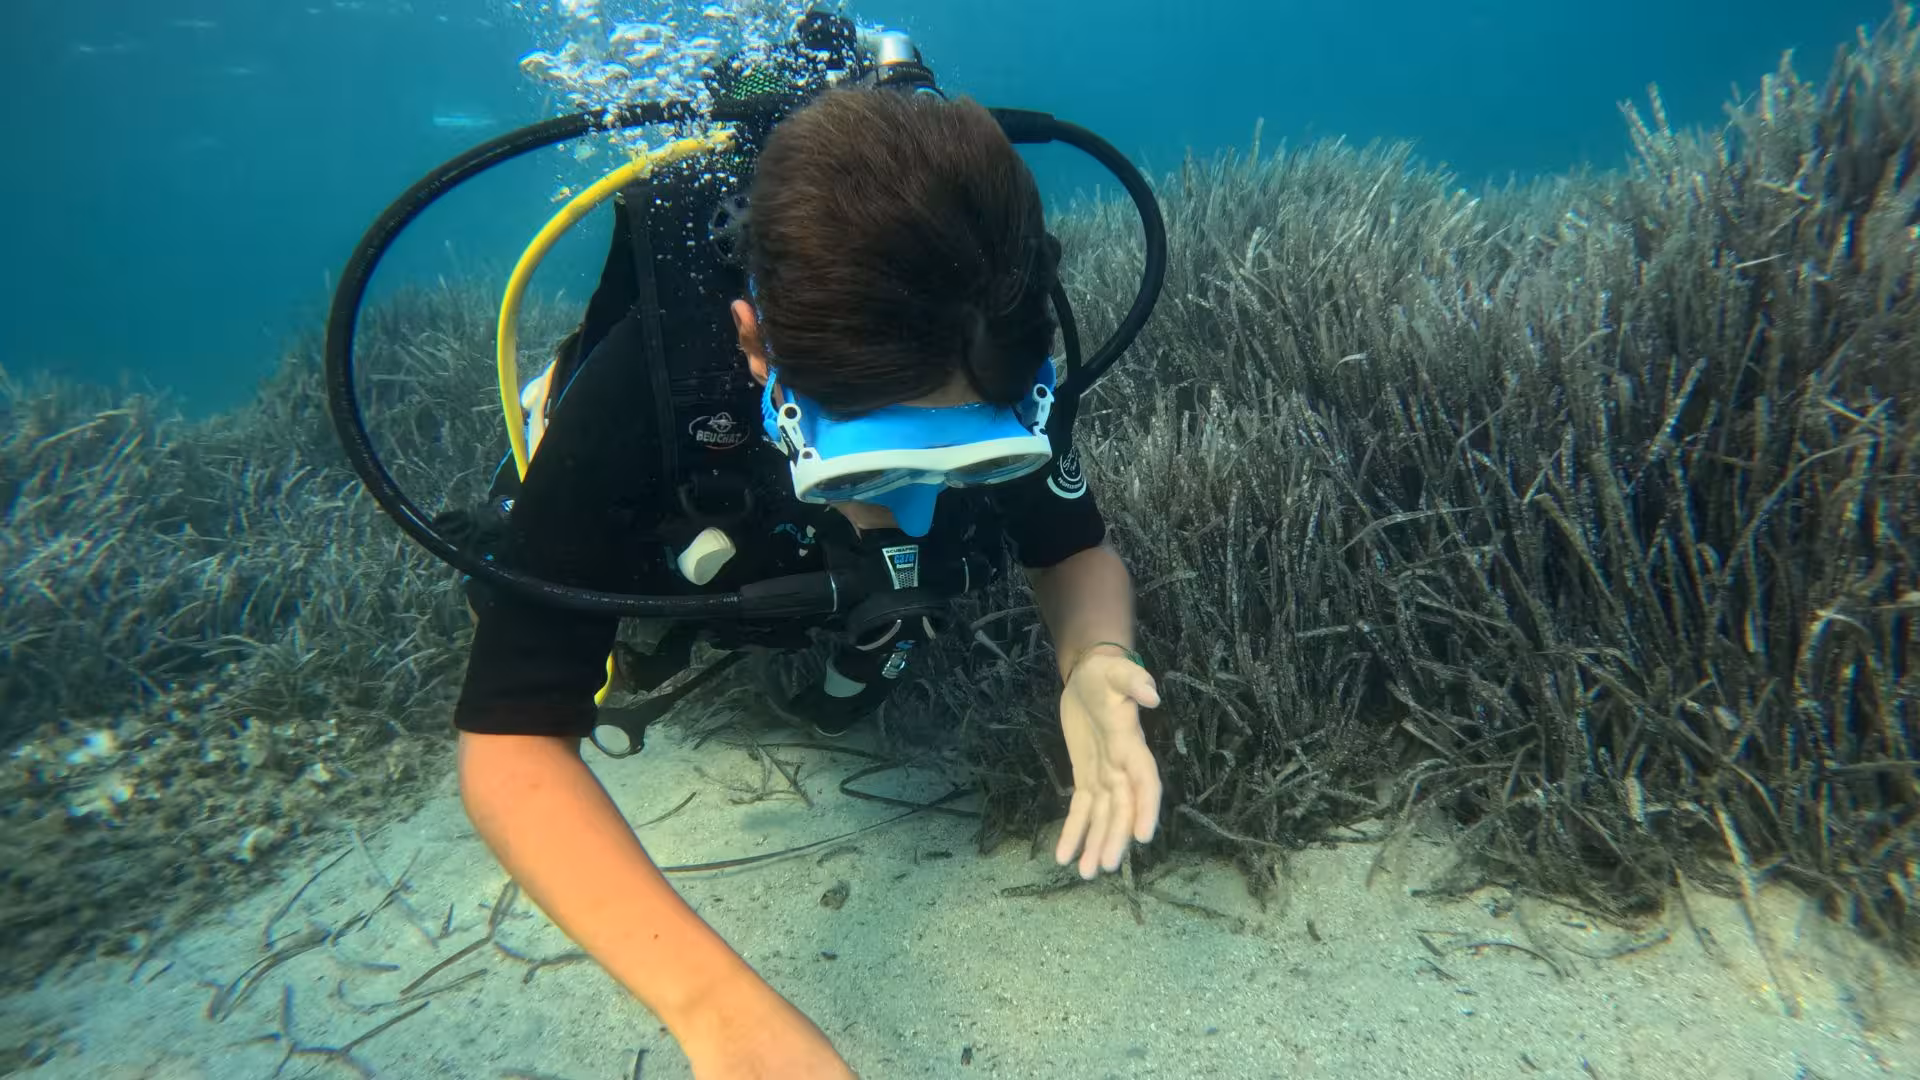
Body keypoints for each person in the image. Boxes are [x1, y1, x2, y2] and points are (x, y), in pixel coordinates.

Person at [437, 21, 1165, 1080]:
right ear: (754, 346)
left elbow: (1073, 550)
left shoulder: (998, 345)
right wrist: (716, 1014)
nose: (919, 503)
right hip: (691, 499)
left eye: (971, 459)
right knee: (594, 607)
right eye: (874, 468)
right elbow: (510, 741)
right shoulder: (652, 389)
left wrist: (1094, 656)